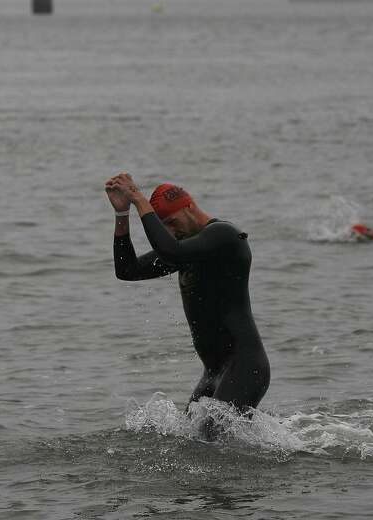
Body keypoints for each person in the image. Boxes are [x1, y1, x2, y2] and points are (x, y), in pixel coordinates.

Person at [106, 173, 270, 434]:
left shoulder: (224, 236)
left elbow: (171, 250)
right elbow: (127, 270)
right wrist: (122, 215)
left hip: (245, 366)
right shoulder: (187, 249)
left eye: (172, 222)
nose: (171, 232)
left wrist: (138, 198)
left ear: (189, 207)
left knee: (208, 441)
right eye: (165, 227)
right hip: (214, 372)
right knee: (191, 440)